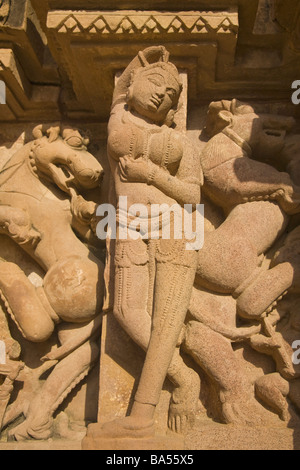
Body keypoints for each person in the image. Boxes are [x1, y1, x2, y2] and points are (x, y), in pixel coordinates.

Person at [101, 46, 203, 438]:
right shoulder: (118, 120)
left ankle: (142, 417)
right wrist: (142, 62)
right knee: (126, 311)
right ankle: (183, 376)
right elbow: (120, 91)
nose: (164, 95)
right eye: (157, 85)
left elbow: (193, 196)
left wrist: (150, 173)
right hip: (127, 224)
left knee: (164, 323)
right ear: (136, 86)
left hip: (175, 227)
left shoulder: (180, 144)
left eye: (172, 95)